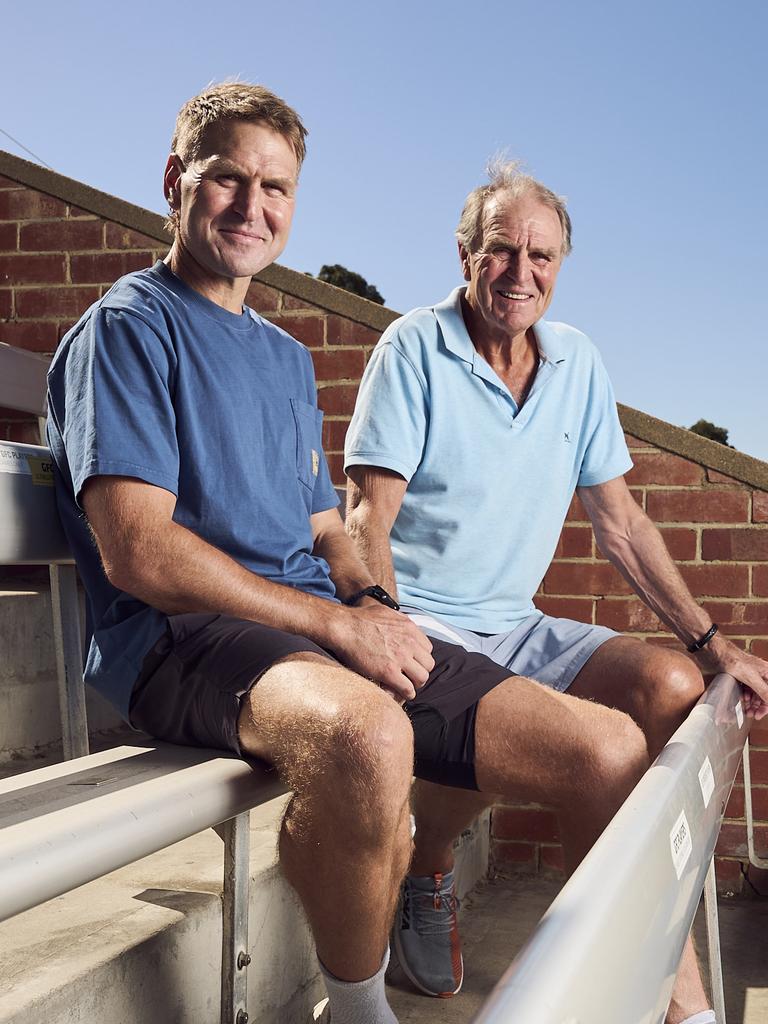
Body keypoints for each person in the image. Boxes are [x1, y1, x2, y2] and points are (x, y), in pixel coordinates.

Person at [47, 88, 645, 1024]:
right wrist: (330, 619)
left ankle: (634, 1001)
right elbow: (139, 551)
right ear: (175, 183)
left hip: (308, 629)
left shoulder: (283, 357)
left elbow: (329, 527)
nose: (253, 206)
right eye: (226, 180)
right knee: (369, 737)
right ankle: (362, 1014)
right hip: (180, 639)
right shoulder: (127, 329)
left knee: (606, 748)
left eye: (275, 186)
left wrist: (369, 604)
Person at [343, 160, 768, 1024]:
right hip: (420, 619)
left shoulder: (577, 363)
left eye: (542, 255)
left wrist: (711, 643)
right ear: (466, 254)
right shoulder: (414, 347)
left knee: (675, 691)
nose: (521, 272)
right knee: (586, 744)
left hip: (516, 625)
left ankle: (444, 866)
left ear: (562, 265)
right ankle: (664, 1006)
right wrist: (379, 628)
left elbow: (623, 527)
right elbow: (364, 519)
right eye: (502, 250)